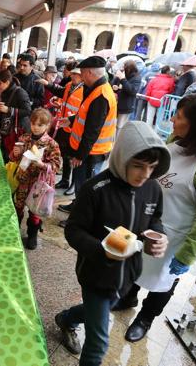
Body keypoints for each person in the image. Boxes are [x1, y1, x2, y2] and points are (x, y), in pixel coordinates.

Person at [116, 94, 196, 343]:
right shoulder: (176, 141)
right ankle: (128, 297)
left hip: (176, 235)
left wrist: (187, 255)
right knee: (135, 265)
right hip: (147, 223)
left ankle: (146, 318)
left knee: (162, 280)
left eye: (179, 116)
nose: (172, 120)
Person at [56, 121, 170, 364]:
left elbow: (155, 219)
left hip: (128, 275)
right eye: (138, 166)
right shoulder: (95, 189)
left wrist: (159, 235)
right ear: (121, 159)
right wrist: (101, 250)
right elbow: (74, 231)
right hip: (96, 275)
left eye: (151, 167)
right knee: (98, 343)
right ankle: (69, 320)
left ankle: (66, 319)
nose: (145, 174)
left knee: (98, 311)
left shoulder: (152, 189)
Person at [57, 56, 117, 223]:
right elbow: (85, 115)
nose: (81, 77)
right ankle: (76, 204)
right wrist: (71, 120)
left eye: (82, 73)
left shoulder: (101, 95)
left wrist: (80, 156)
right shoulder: (95, 89)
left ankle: (78, 219)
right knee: (80, 185)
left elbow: (92, 130)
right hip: (86, 150)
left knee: (86, 189)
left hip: (91, 153)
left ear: (90, 72)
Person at [8, 108, 62, 249]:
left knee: (34, 210)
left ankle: (33, 235)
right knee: (18, 207)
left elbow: (56, 165)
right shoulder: (24, 138)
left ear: (47, 125)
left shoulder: (51, 144)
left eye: (40, 125)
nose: (35, 127)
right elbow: (14, 158)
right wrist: (15, 153)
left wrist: (42, 164)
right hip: (22, 180)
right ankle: (14, 233)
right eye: (33, 124)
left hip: (38, 184)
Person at [37, 67, 84, 193]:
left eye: (76, 74)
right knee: (64, 154)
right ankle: (65, 180)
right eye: (72, 73)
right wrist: (48, 84)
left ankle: (73, 185)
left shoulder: (85, 90)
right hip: (64, 125)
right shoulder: (69, 85)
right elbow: (60, 92)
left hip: (75, 128)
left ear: (82, 76)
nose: (72, 76)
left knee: (74, 158)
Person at [0, 69, 32, 160]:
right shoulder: (5, 91)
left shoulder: (20, 92)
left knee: (13, 157)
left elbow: (28, 111)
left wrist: (9, 110)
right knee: (5, 154)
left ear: (7, 82)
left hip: (17, 131)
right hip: (7, 130)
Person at [112, 60, 141, 131]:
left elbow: (132, 91)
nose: (122, 69)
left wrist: (123, 79)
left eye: (124, 68)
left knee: (119, 127)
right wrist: (114, 86)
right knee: (112, 125)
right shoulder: (122, 73)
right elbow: (113, 84)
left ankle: (118, 141)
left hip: (125, 106)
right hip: (116, 104)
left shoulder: (136, 77)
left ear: (129, 69)